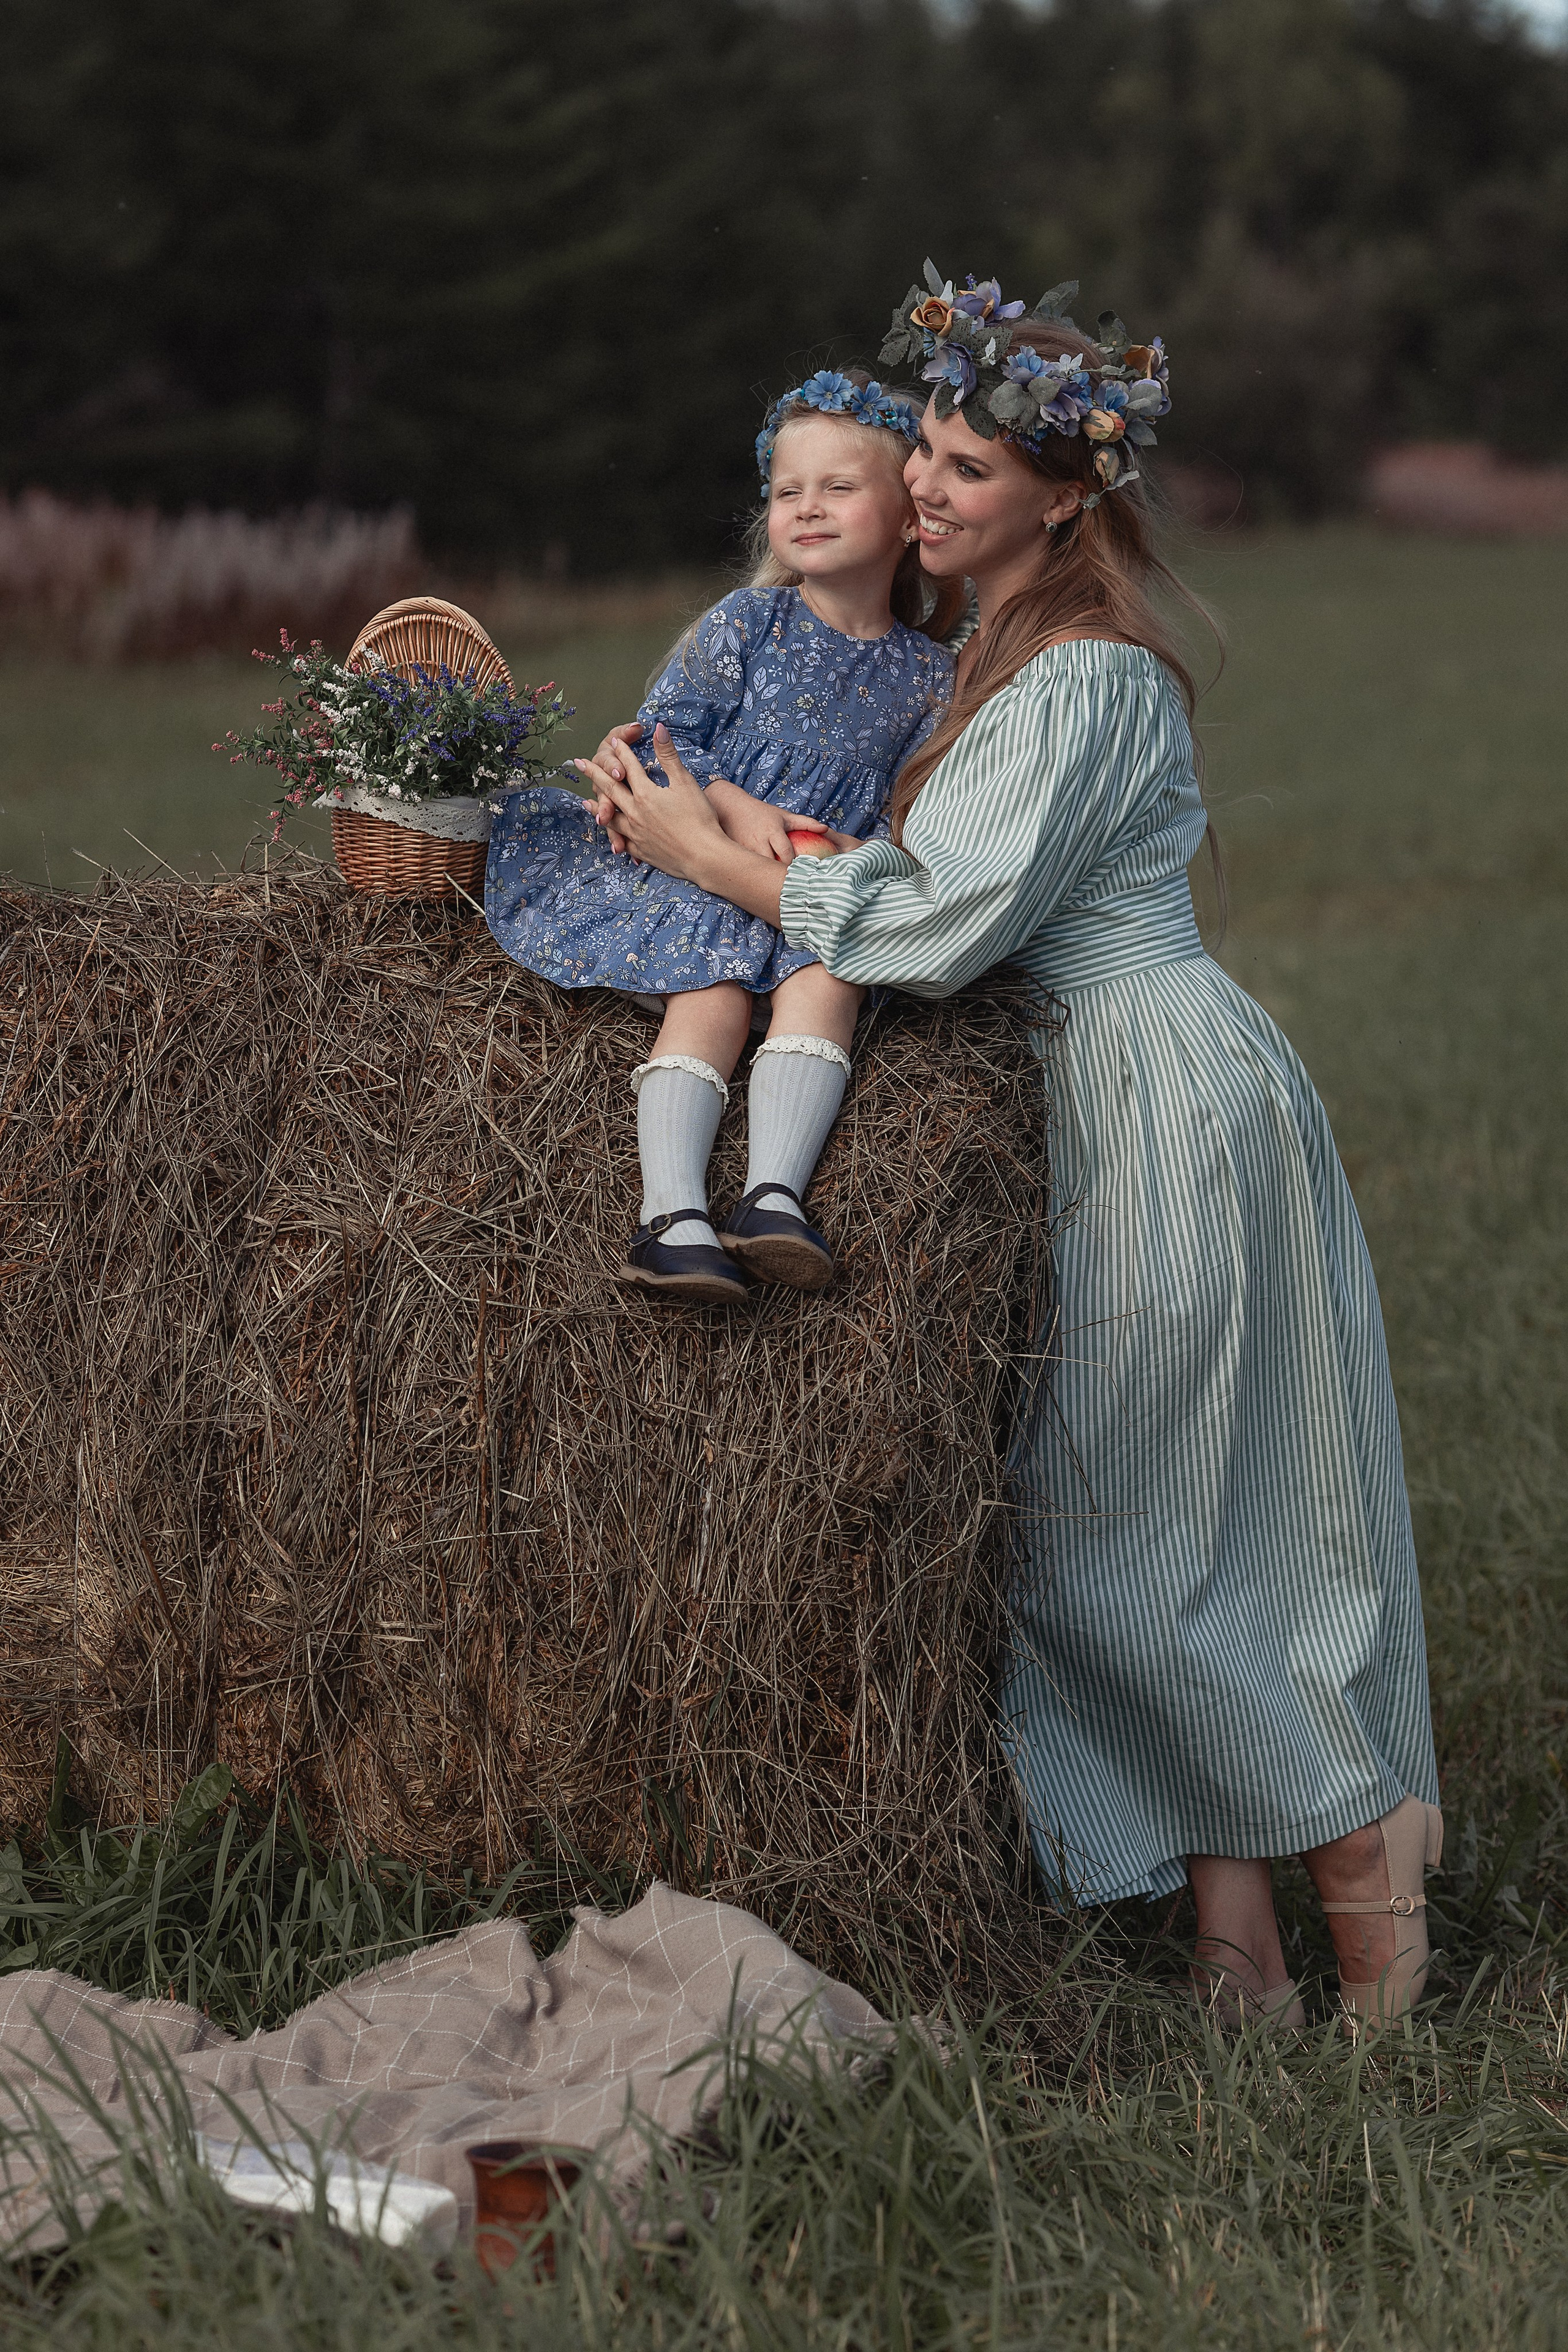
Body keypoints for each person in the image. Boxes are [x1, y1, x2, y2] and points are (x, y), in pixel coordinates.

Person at [575, 270, 1443, 2026]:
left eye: (968, 468)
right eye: (926, 452)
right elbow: (895, 857)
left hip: (1156, 1096)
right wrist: (715, 797)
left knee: (1137, 1521)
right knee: (1170, 1513)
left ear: (1064, 498)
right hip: (1108, 1085)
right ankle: (1240, 1957)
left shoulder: (1080, 679)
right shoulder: (990, 655)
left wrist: (704, 859)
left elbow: (932, 925)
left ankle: (1366, 1856)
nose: (922, 487)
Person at [485, 372, 956, 1305]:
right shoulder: (749, 624)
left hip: (805, 887)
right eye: (788, 491)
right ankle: (671, 1218)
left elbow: (916, 808)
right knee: (715, 996)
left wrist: (848, 853)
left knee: (829, 983)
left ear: (911, 519)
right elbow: (666, 740)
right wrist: (736, 806)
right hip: (696, 868)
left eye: (838, 488)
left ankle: (773, 1196)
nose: (806, 507)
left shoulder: (934, 676)